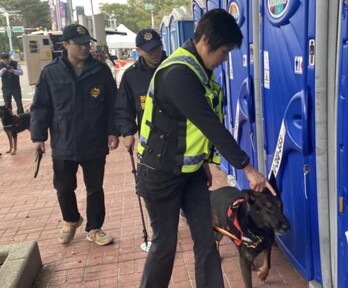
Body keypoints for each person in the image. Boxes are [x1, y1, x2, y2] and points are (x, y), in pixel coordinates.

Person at [136, 9, 275, 288]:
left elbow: (187, 129)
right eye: (224, 52)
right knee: (165, 245)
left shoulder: (199, 70)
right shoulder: (179, 74)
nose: (224, 59)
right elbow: (210, 125)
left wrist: (203, 163)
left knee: (206, 241)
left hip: (189, 172)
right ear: (206, 41)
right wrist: (247, 167)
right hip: (160, 173)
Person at [30, 24, 120, 246]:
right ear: (66, 44)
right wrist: (38, 137)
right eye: (79, 44)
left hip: (94, 139)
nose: (84, 48)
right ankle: (71, 220)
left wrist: (113, 131)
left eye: (86, 43)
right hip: (63, 141)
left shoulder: (100, 71)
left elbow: (112, 104)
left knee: (95, 188)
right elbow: (41, 106)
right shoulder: (51, 73)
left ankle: (95, 228)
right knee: (63, 187)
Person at [116, 28, 166, 152]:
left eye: (157, 48)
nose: (155, 53)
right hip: (149, 140)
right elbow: (124, 108)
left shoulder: (175, 68)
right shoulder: (131, 76)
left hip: (178, 136)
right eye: (149, 50)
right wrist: (127, 133)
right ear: (139, 51)